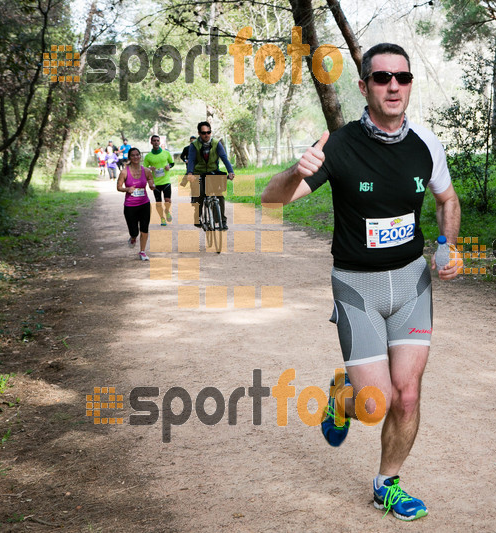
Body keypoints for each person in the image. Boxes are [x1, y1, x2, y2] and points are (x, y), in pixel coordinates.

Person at [262, 43, 461, 521]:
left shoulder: (426, 143)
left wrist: (446, 244)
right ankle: (341, 397)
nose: (393, 86)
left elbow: (447, 201)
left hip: (411, 283)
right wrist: (295, 171)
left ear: (410, 84)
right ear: (364, 86)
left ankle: (386, 485)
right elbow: (272, 200)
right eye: (381, 78)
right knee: (374, 404)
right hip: (357, 286)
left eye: (402, 77)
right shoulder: (339, 144)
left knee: (407, 394)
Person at [186, 124, 234, 230]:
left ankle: (222, 220)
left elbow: (224, 158)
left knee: (219, 196)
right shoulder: (194, 145)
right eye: (203, 133)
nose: (206, 135)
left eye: (208, 132)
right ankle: (197, 217)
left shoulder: (216, 144)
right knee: (199, 194)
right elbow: (192, 160)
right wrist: (190, 173)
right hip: (199, 172)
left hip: (213, 172)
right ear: (199, 133)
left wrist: (230, 171)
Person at [117, 147, 156, 261]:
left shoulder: (147, 171)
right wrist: (127, 189)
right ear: (129, 157)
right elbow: (119, 187)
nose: (135, 157)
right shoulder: (124, 172)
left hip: (144, 203)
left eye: (137, 155)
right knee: (134, 231)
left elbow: (151, 182)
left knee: (144, 227)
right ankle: (133, 237)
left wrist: (152, 186)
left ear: (140, 156)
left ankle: (142, 251)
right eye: (133, 155)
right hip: (130, 205)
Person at [143, 135, 175, 226]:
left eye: (157, 140)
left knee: (168, 200)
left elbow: (172, 163)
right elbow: (144, 168)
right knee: (158, 202)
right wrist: (149, 168)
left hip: (166, 181)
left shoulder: (166, 153)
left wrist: (169, 166)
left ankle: (167, 211)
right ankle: (162, 218)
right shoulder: (148, 156)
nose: (156, 142)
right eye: (154, 141)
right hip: (155, 183)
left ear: (159, 142)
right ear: (151, 142)